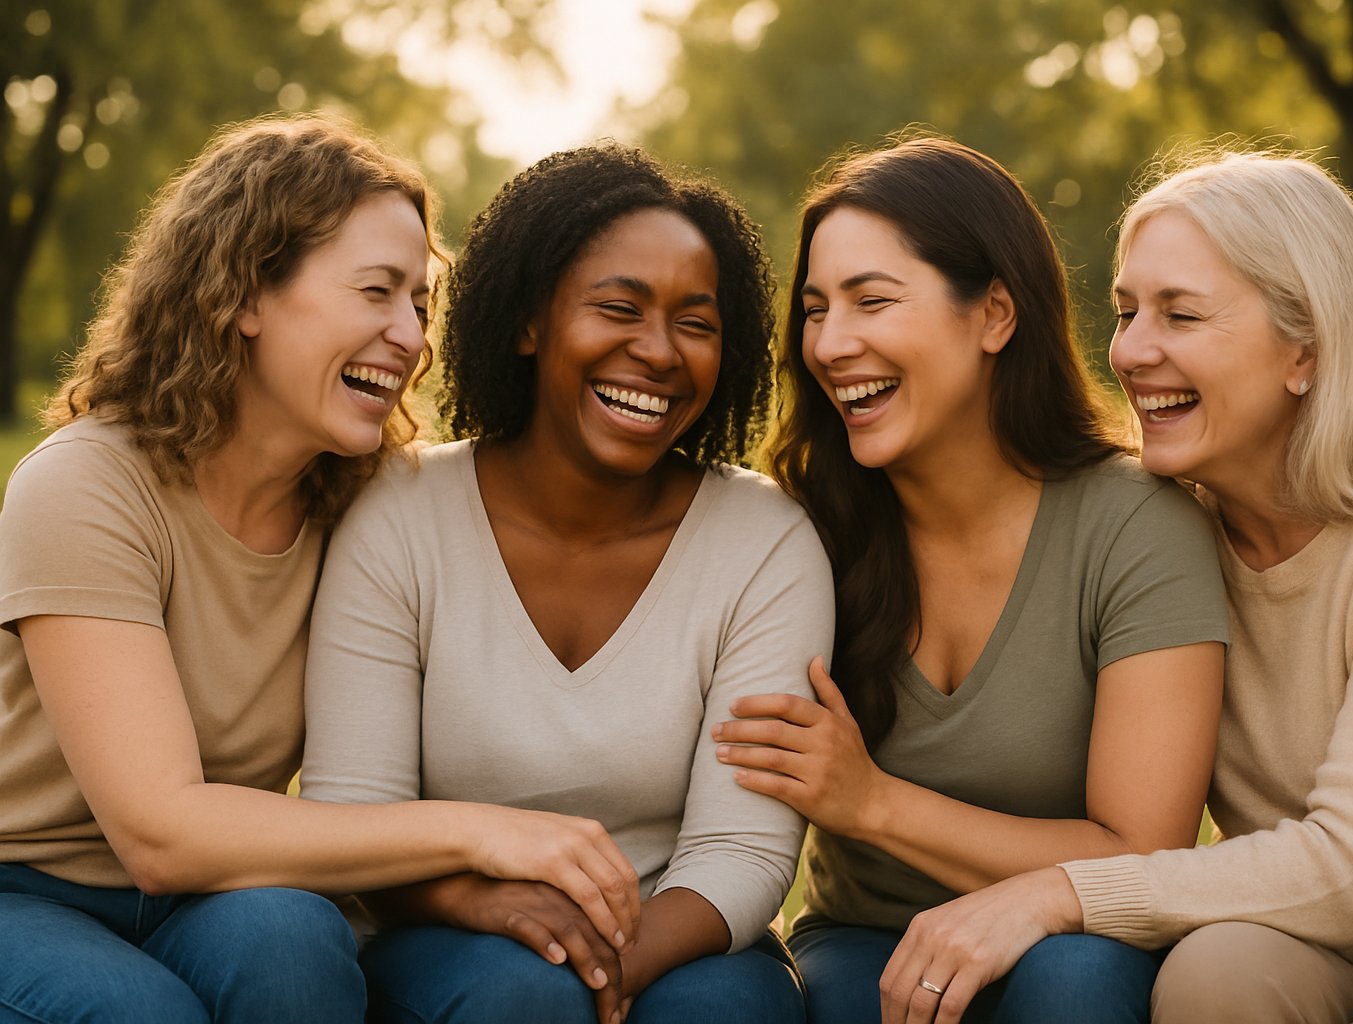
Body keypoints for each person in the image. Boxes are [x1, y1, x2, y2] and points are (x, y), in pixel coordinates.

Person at [0, 115, 645, 1024]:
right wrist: (484, 832)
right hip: (26, 889)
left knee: (296, 947)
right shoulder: (86, 486)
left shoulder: (368, 498)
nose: (409, 334)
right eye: (376, 291)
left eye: (419, 302)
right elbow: (160, 834)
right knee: (137, 1013)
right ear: (243, 295)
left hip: (220, 893)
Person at [878, 150, 1353, 1024]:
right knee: (1209, 976)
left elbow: (1349, 872)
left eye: (1180, 314)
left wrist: (1053, 894)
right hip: (1311, 945)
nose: (1131, 351)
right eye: (1124, 312)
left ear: (1305, 348)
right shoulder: (1163, 530)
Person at [299, 142, 833, 1024]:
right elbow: (356, 813)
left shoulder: (765, 542)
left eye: (696, 324)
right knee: (520, 1001)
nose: (659, 351)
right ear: (528, 321)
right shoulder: (398, 514)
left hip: (684, 934)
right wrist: (477, 901)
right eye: (618, 308)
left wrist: (607, 968)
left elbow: (740, 848)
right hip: (436, 923)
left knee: (726, 1014)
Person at [707, 136, 1228, 1024]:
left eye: (873, 300)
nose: (832, 344)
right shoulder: (800, 530)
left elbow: (1140, 851)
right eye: (816, 309)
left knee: (1078, 986)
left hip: (1074, 942)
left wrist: (871, 803)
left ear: (994, 315)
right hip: (866, 941)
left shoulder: (1138, 526)